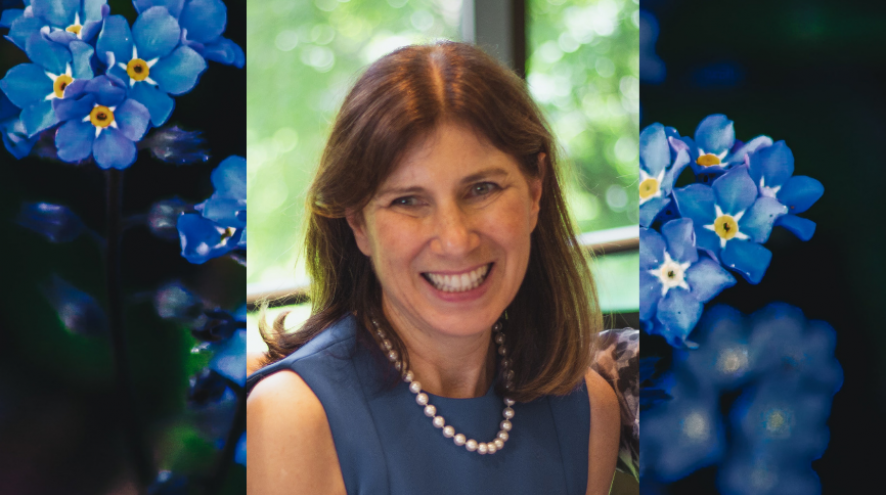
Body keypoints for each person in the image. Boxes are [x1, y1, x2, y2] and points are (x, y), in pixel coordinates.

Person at [247, 41, 634, 495]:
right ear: (358, 224)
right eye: (408, 201)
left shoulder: (589, 410)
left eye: (482, 188)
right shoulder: (292, 415)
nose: (454, 239)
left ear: (535, 192)